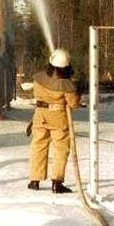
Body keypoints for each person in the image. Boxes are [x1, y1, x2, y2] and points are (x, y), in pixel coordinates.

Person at [27, 48, 81, 193]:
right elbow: (73, 103)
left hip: (40, 115)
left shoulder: (38, 78)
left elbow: (38, 95)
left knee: (38, 146)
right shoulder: (66, 85)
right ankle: (57, 182)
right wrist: (77, 91)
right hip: (58, 117)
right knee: (61, 149)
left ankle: (34, 180)